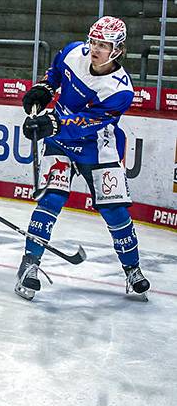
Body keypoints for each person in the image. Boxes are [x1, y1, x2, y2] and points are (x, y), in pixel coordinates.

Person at [17, 16, 150, 300]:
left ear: (118, 50)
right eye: (93, 41)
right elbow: (55, 72)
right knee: (52, 198)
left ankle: (132, 271)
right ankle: (29, 266)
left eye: (103, 44)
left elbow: (89, 121)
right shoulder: (74, 52)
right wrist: (44, 89)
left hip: (97, 146)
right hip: (60, 141)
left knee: (115, 210)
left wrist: (53, 123)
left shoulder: (120, 90)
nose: (95, 49)